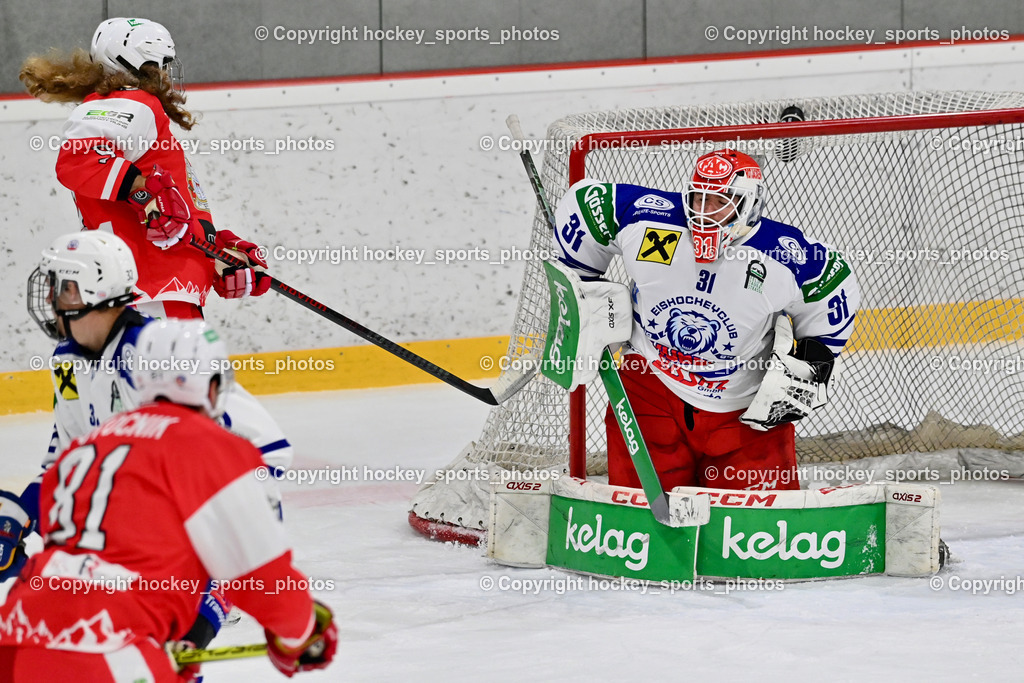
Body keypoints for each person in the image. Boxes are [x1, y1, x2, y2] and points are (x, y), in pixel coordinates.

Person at [0, 231, 292, 650]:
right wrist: (22, 514)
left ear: (92, 290)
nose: (50, 300)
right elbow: (70, 462)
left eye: (60, 287)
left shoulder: (160, 357)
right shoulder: (67, 361)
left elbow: (264, 450)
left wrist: (218, 585)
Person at [0, 318, 336, 682]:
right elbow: (261, 578)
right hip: (108, 648)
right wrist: (301, 634)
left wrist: (164, 644)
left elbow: (79, 553)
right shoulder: (215, 448)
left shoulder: (88, 445)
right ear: (211, 384)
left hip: (16, 638)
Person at [552, 149, 861, 492]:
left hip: (742, 415)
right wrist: (582, 284)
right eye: (699, 198)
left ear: (750, 204)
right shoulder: (650, 222)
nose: (704, 212)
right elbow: (586, 202)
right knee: (638, 523)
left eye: (719, 201)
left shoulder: (782, 257)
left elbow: (834, 285)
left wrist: (813, 358)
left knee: (762, 535)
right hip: (648, 392)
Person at [19, 16, 269, 316]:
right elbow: (78, 159)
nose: (166, 74)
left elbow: (169, 218)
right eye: (161, 63)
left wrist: (219, 253)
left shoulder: (136, 110)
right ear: (140, 63)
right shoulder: (129, 102)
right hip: (147, 292)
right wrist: (144, 192)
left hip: (157, 291)